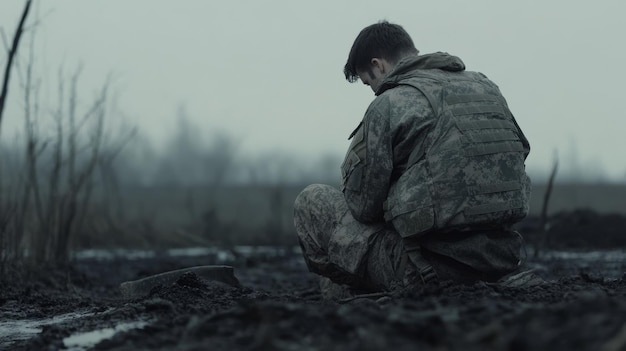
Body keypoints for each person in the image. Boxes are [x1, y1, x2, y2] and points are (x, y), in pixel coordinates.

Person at [293, 21, 532, 298]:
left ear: (378, 65)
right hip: (500, 260)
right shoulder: (487, 88)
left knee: (312, 202)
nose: (373, 90)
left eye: (369, 82)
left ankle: (358, 296)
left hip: (426, 269)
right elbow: (521, 151)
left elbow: (364, 207)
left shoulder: (389, 103)